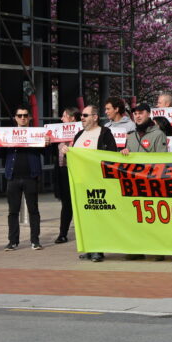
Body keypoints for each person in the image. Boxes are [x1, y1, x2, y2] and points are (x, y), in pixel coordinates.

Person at [0, 104, 51, 251]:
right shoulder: (7, 134)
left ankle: (35, 241)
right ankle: (13, 241)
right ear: (16, 118)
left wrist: (47, 144)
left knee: (33, 210)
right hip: (13, 177)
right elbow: (0, 154)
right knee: (13, 211)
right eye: (19, 115)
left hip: (31, 177)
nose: (22, 118)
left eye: (25, 115)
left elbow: (46, 154)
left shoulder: (36, 134)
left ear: (29, 117)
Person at [71, 105, 118, 262]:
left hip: (98, 182)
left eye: (85, 115)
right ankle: (89, 247)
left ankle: (98, 248)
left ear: (95, 117)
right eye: (81, 116)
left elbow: (111, 156)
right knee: (85, 217)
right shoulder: (79, 135)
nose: (82, 118)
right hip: (81, 183)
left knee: (98, 215)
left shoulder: (104, 133)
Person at [121, 103, 167, 261]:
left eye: (141, 113)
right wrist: (124, 153)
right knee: (135, 217)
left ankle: (157, 249)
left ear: (148, 114)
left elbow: (162, 160)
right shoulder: (131, 136)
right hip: (134, 183)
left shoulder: (158, 135)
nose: (138, 116)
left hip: (152, 183)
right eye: (135, 114)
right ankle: (136, 248)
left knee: (153, 217)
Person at [53, 106, 81, 244]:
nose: (61, 119)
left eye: (64, 116)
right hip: (63, 170)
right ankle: (63, 233)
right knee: (66, 203)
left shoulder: (82, 133)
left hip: (78, 171)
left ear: (72, 118)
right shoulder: (59, 134)